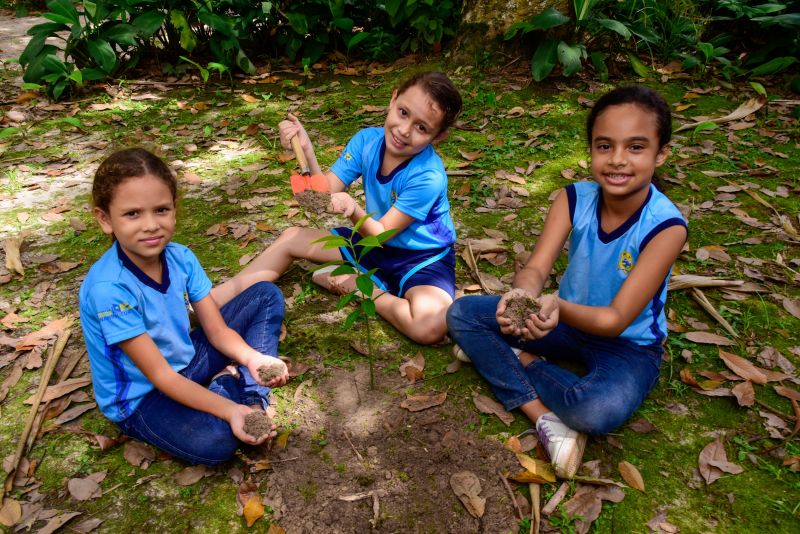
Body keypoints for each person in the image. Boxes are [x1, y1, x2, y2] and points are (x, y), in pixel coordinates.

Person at [446, 86, 688, 478]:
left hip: (629, 345)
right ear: (591, 148)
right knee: (461, 313)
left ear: (661, 154)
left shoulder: (666, 227)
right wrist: (523, 294)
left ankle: (515, 359)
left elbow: (615, 319)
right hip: (564, 323)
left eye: (636, 147)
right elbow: (537, 269)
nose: (618, 160)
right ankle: (540, 414)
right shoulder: (573, 199)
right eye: (604, 146)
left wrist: (555, 308)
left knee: (593, 409)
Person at [214, 71, 463, 345]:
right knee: (291, 238)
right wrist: (306, 150)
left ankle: (360, 287)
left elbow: (381, 234)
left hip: (421, 258)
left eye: (422, 128)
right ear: (393, 99)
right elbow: (321, 195)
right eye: (403, 113)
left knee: (430, 327)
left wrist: (354, 209)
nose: (404, 130)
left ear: (438, 136)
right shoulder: (366, 141)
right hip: (369, 244)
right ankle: (210, 303)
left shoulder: (428, 175)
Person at [79, 148, 289, 466]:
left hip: (185, 361)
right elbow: (161, 377)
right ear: (105, 219)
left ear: (175, 210)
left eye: (161, 210)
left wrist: (253, 357)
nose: (150, 224)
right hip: (143, 397)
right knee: (217, 442)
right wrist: (229, 410)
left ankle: (247, 389)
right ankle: (231, 391)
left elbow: (215, 330)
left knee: (264, 295)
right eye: (132, 213)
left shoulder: (181, 258)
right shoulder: (109, 289)